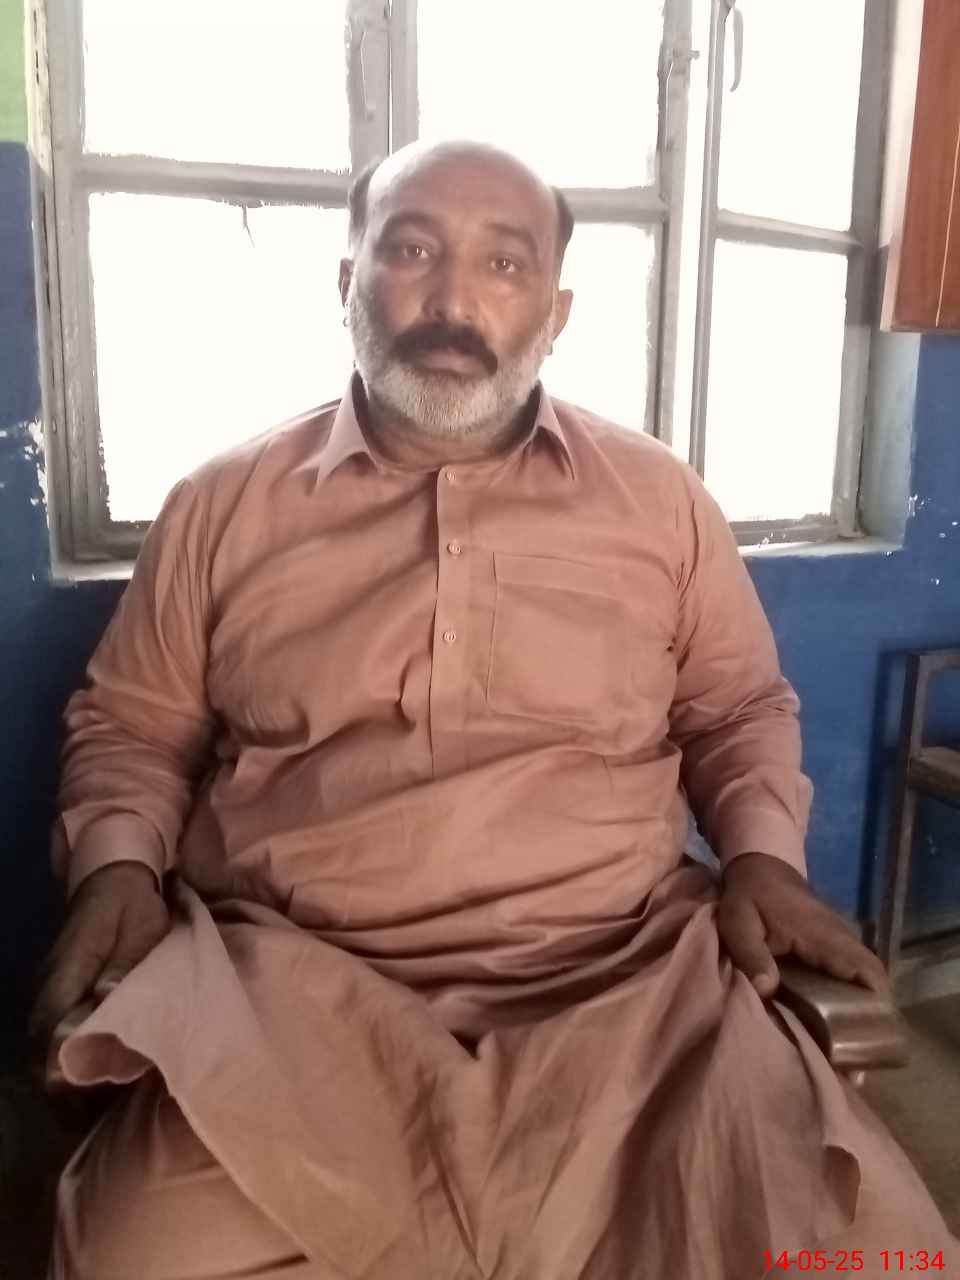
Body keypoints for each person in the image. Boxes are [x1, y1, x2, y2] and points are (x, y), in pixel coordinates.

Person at [32, 141, 952, 1280]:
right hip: (291, 992)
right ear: (348, 283)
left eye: (505, 265)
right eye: (412, 251)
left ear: (556, 312)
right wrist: (117, 869)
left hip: (629, 989)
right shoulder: (222, 506)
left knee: (874, 1254)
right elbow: (134, 726)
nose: (454, 302)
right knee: (127, 1254)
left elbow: (737, 707)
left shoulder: (660, 500)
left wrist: (765, 860)